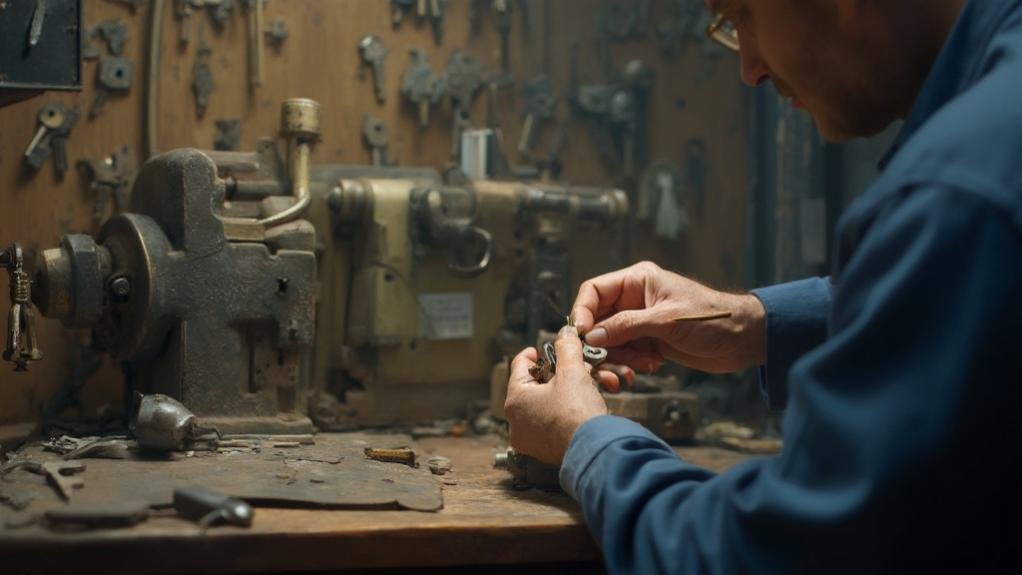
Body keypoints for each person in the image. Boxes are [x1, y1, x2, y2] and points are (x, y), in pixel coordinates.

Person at [504, 0, 1022, 572]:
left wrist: (585, 440)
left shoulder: (959, 191)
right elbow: (954, 307)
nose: (749, 69)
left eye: (742, 13)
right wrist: (749, 324)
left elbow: (755, 555)